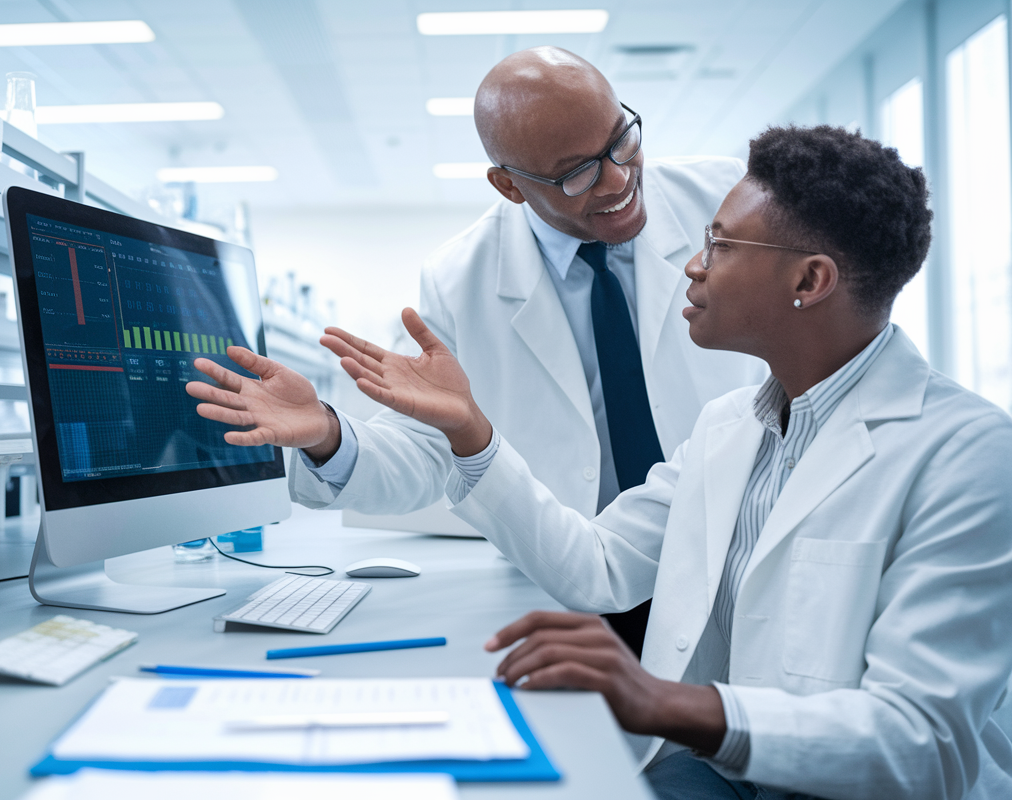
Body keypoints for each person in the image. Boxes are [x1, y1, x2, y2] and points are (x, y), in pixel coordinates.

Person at [281, 126, 1012, 799]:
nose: (692, 266)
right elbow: (595, 566)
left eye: (721, 247)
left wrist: (665, 701)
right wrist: (471, 430)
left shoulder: (965, 453)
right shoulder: (731, 428)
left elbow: (927, 746)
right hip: (716, 773)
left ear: (810, 282)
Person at [186, 46, 766, 655]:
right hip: (566, 572)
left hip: (732, 550)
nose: (620, 178)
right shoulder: (460, 277)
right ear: (509, 185)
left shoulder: (724, 199)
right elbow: (427, 451)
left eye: (622, 139)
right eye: (578, 172)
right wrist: (328, 435)